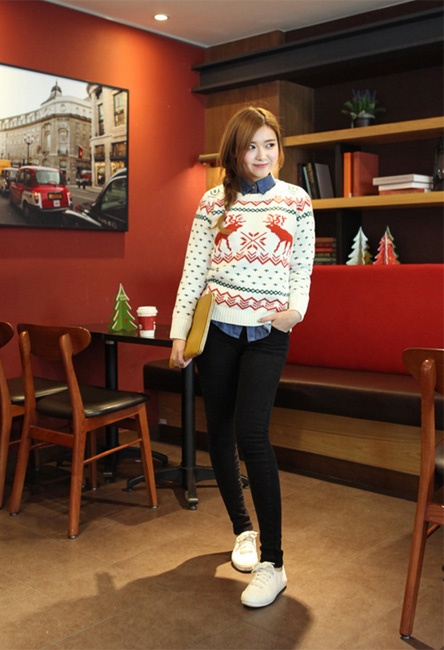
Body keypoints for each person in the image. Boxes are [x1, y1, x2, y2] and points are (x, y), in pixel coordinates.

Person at [169, 106, 315, 608]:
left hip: (269, 332)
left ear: (279, 148)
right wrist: (179, 334)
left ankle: (274, 563)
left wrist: (294, 312)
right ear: (235, 151)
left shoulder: (296, 200)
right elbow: (193, 272)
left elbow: (302, 267)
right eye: (251, 146)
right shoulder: (213, 201)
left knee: (253, 434)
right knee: (221, 431)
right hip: (217, 330)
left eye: (269, 144)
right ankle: (242, 531)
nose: (261, 154)